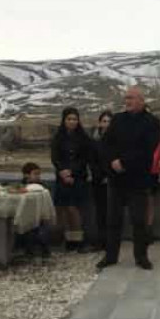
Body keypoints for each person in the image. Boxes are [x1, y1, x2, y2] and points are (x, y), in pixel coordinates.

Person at [100, 86, 160, 270]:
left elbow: (147, 150)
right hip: (117, 178)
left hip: (137, 178)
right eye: (126, 98)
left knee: (138, 220)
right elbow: (106, 143)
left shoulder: (152, 122)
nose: (127, 101)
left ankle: (141, 256)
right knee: (113, 220)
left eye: (131, 98)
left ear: (141, 100)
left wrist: (124, 162)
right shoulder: (118, 119)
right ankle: (110, 256)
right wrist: (113, 161)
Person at [51, 107, 92, 253]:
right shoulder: (58, 137)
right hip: (62, 178)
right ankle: (68, 240)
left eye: (75, 119)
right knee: (63, 209)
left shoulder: (83, 138)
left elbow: (85, 158)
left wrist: (71, 172)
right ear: (64, 120)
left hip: (78, 178)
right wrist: (63, 172)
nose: (72, 122)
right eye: (69, 119)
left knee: (74, 209)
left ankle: (78, 240)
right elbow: (55, 157)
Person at [17, 162, 51, 259]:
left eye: (39, 174)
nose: (38, 176)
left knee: (40, 230)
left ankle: (42, 250)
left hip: (39, 216)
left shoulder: (41, 187)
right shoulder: (22, 186)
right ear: (26, 175)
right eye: (35, 174)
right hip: (25, 215)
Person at [90, 111, 113, 250]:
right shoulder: (94, 142)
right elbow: (92, 161)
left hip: (112, 181)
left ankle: (111, 240)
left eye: (109, 121)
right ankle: (101, 239)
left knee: (112, 213)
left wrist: (109, 175)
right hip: (98, 181)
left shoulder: (117, 141)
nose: (106, 124)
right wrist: (100, 176)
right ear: (99, 123)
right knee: (100, 212)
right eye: (104, 121)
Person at [147, 120, 160, 245]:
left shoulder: (158, 138)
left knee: (150, 202)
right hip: (139, 172)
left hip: (152, 172)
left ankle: (148, 229)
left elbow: (157, 154)